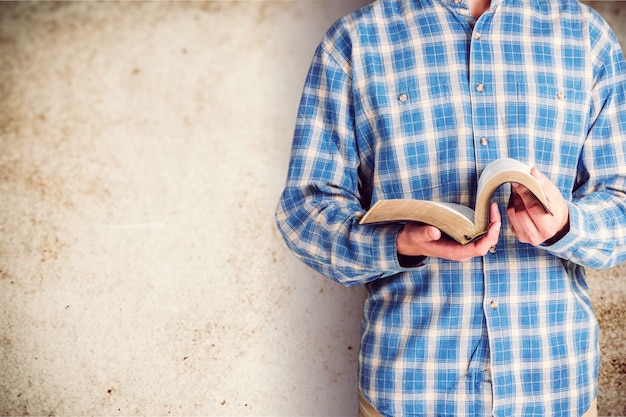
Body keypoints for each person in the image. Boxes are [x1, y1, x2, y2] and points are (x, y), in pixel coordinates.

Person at [275, 0, 626, 415]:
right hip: (411, 389)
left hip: (553, 386)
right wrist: (399, 244)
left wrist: (568, 226)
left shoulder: (586, 35)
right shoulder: (353, 42)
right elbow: (304, 210)